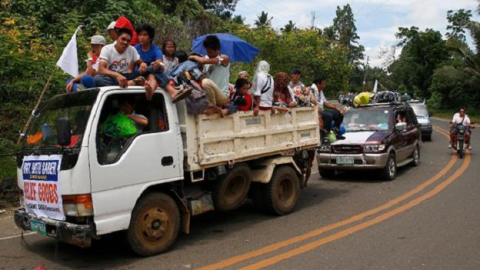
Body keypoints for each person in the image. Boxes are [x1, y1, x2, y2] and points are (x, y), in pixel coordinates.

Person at [134, 24, 187, 101]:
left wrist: (157, 63)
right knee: (154, 69)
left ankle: (150, 93)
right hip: (137, 72)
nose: (142, 37)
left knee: (152, 75)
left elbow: (159, 60)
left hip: (149, 74)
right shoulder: (135, 48)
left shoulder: (155, 49)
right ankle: (172, 91)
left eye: (145, 35)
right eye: (140, 35)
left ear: (150, 38)